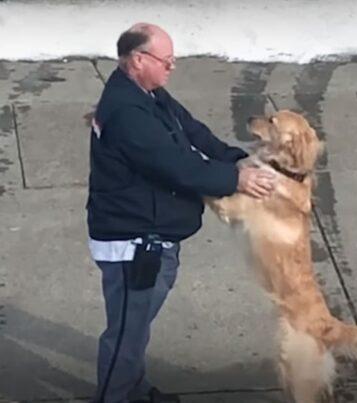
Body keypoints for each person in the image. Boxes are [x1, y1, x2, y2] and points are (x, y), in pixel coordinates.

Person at [86, 23, 274, 403]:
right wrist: (236, 181)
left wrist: (237, 161)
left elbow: (194, 133)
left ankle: (134, 390)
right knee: (126, 334)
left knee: (136, 327)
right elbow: (178, 166)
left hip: (152, 239)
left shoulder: (147, 93)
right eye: (166, 62)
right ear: (138, 60)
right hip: (134, 245)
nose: (172, 68)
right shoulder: (127, 113)